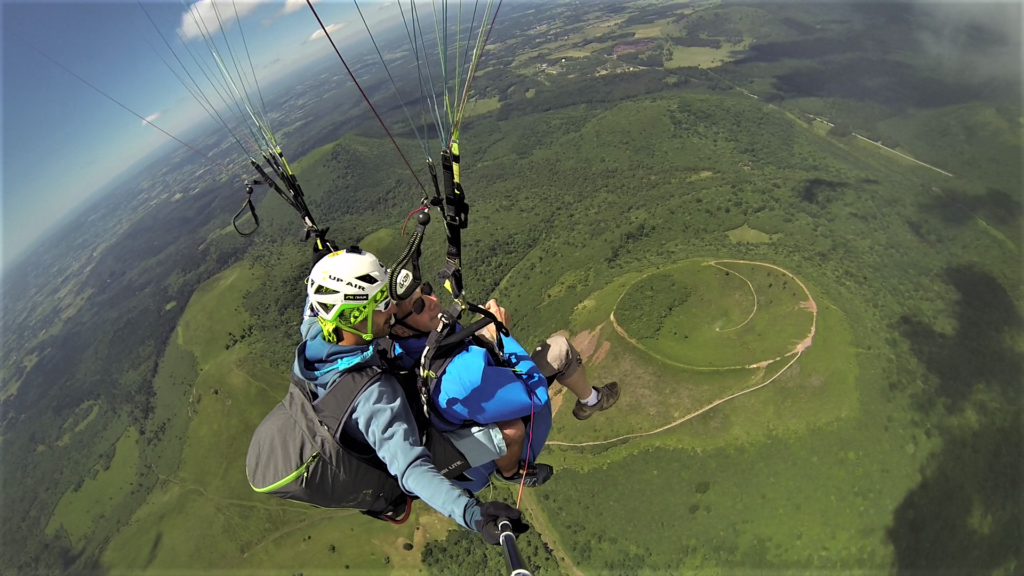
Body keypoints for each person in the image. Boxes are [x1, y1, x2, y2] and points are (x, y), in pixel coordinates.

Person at [246, 243, 527, 545]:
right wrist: (473, 514)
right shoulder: (375, 398)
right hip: (406, 445)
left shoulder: (318, 330)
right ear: (354, 317)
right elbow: (412, 469)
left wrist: (326, 257)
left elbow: (315, 305)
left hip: (351, 415)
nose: (392, 309)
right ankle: (509, 471)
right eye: (380, 305)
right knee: (511, 431)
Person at [388, 280, 620, 490]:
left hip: (457, 431)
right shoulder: (463, 380)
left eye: (426, 290)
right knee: (560, 350)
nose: (433, 300)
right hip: (481, 448)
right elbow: (533, 397)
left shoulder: (401, 346)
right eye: (418, 305)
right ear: (400, 328)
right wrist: (500, 333)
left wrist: (484, 334)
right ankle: (512, 471)